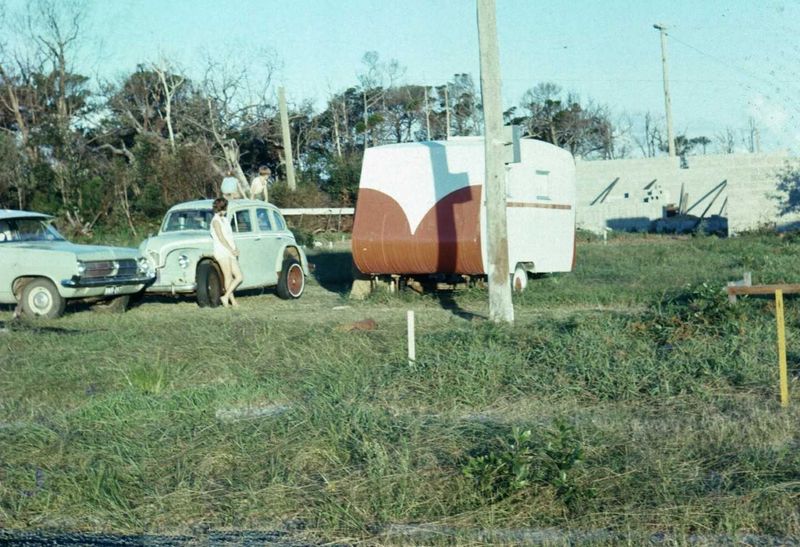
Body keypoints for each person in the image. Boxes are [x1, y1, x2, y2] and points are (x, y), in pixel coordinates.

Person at [210, 197, 243, 307]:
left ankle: (226, 296)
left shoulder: (225, 220)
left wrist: (235, 248)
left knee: (239, 276)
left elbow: (229, 237)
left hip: (230, 251)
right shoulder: (215, 221)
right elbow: (221, 238)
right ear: (222, 208)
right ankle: (232, 301)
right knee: (228, 276)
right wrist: (230, 249)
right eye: (226, 207)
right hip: (221, 251)